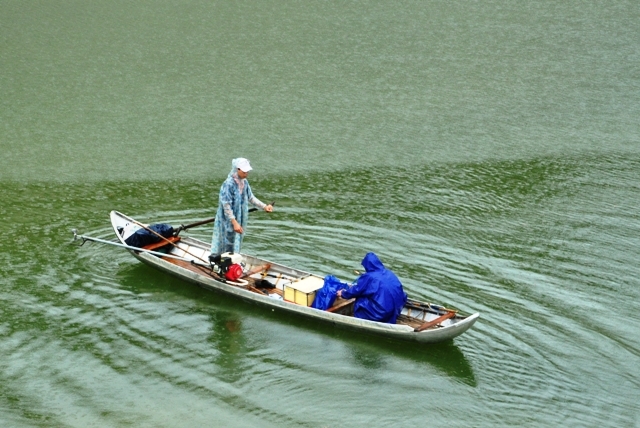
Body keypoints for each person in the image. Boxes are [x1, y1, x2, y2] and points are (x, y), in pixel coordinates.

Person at [210, 158, 273, 255]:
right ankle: (222, 261)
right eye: (244, 171)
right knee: (226, 240)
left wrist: (264, 206)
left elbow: (251, 197)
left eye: (247, 171)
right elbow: (226, 205)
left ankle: (233, 260)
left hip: (239, 217)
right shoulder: (228, 184)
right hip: (228, 219)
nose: (246, 173)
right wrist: (234, 222)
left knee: (236, 240)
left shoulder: (244, 182)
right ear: (237, 169)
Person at [336, 252, 407, 324]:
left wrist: (342, 293)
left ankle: (362, 316)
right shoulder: (389, 273)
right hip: (397, 309)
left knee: (360, 297)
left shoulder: (369, 276)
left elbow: (356, 291)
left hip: (382, 313)